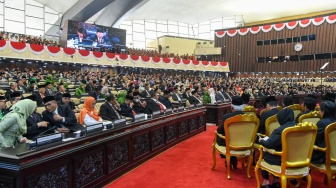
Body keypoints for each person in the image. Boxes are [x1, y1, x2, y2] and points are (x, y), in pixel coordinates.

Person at [258, 108, 296, 188]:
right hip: (299, 159)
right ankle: (275, 181)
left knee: (264, 152)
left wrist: (261, 141)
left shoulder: (280, 130)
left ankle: (266, 182)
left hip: (283, 160)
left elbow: (269, 144)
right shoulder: (300, 126)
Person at [216, 96, 245, 169]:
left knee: (219, 136)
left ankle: (229, 157)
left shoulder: (227, 117)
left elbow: (220, 130)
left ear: (231, 106)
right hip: (245, 142)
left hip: (229, 142)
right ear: (243, 106)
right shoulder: (249, 117)